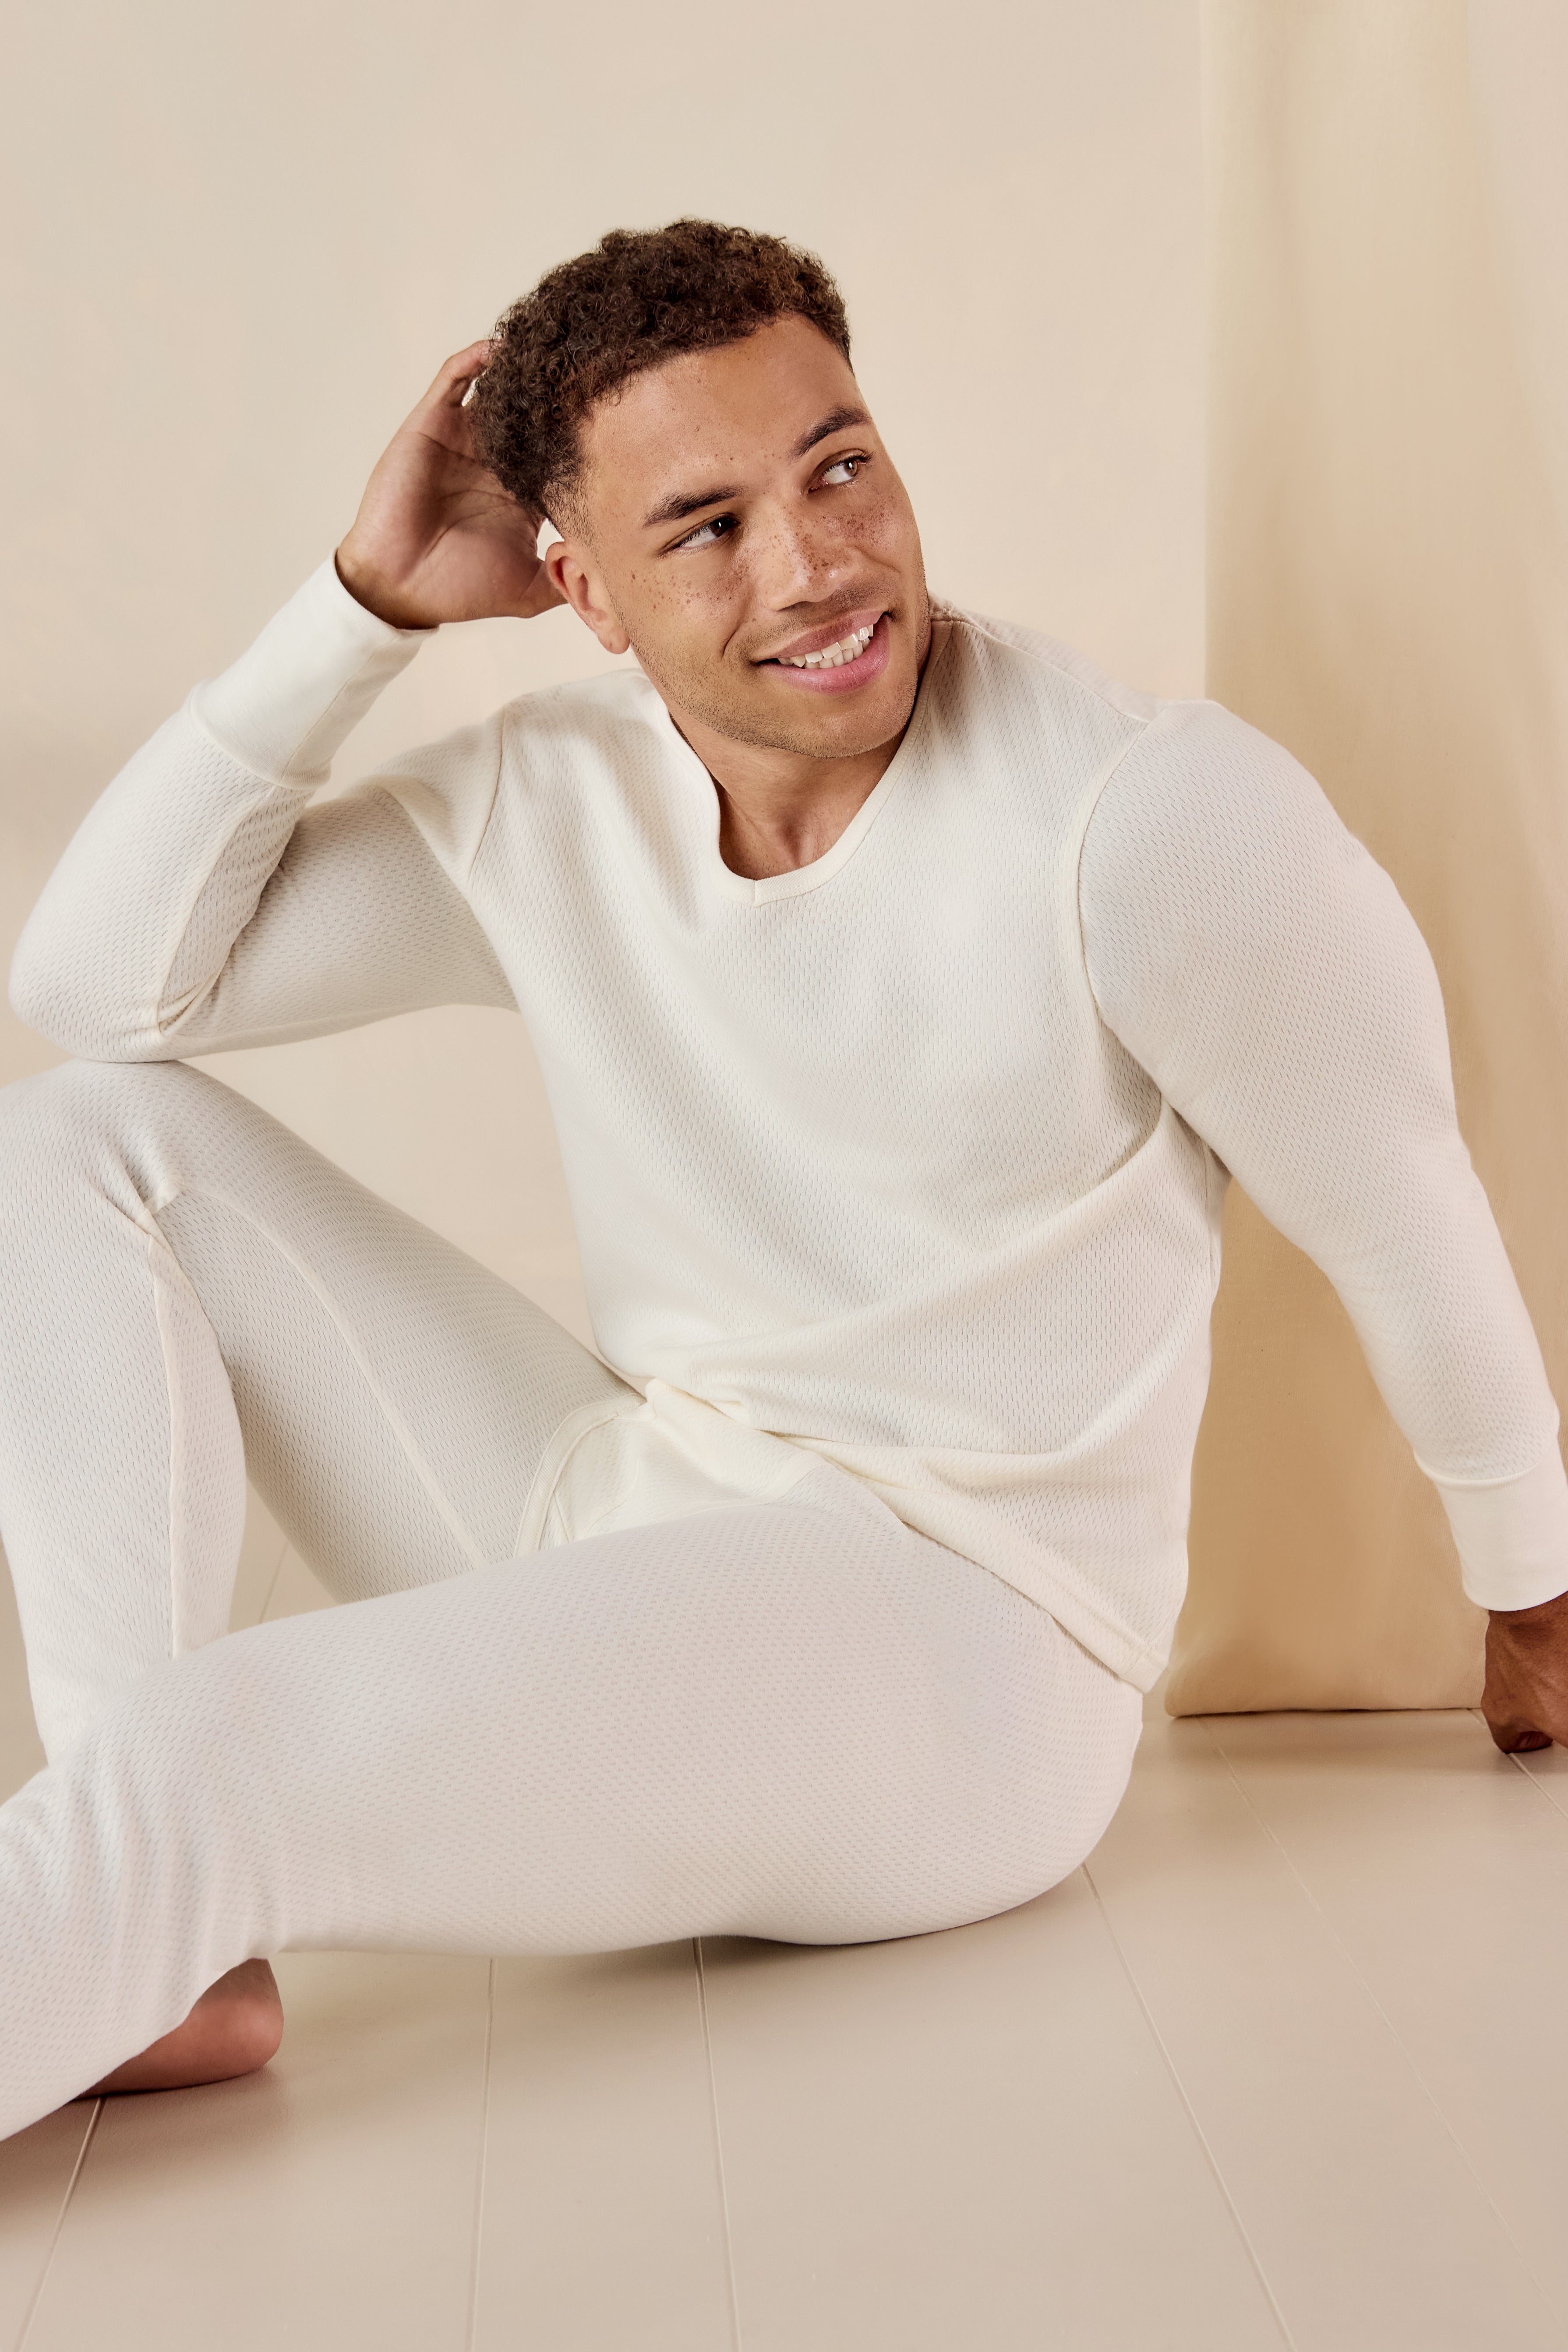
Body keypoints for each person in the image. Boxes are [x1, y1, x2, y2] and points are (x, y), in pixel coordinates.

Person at [1, 219, 1564, 2140]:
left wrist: (1531, 1595)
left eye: (838, 468)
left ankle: (127, 1881)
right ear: (577, 588)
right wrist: (359, 612)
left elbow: (1399, 1209)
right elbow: (102, 987)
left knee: (226, 1759)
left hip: (956, 1639)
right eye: (707, 525)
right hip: (628, 1509)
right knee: (72, 1141)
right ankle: (138, 1949)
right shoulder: (553, 794)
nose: (819, 563)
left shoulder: (1148, 813)